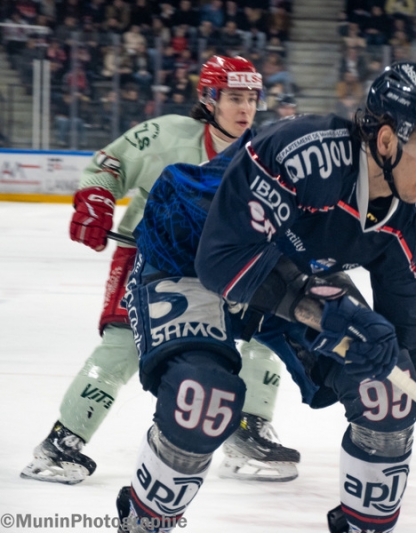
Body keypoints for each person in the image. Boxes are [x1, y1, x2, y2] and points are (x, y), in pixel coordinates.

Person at [115, 61, 416, 533]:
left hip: (291, 274)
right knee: (203, 397)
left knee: (390, 390)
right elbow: (224, 258)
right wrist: (320, 305)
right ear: (386, 140)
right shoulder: (303, 151)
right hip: (189, 256)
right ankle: (144, 521)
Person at [21, 56, 301, 487]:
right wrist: (96, 201)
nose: (245, 108)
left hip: (226, 267)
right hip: (149, 259)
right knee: (123, 350)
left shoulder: (265, 150)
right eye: (233, 98)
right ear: (207, 99)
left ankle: (248, 430)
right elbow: (108, 166)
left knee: (268, 336)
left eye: (251, 99)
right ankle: (61, 443)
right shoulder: (166, 135)